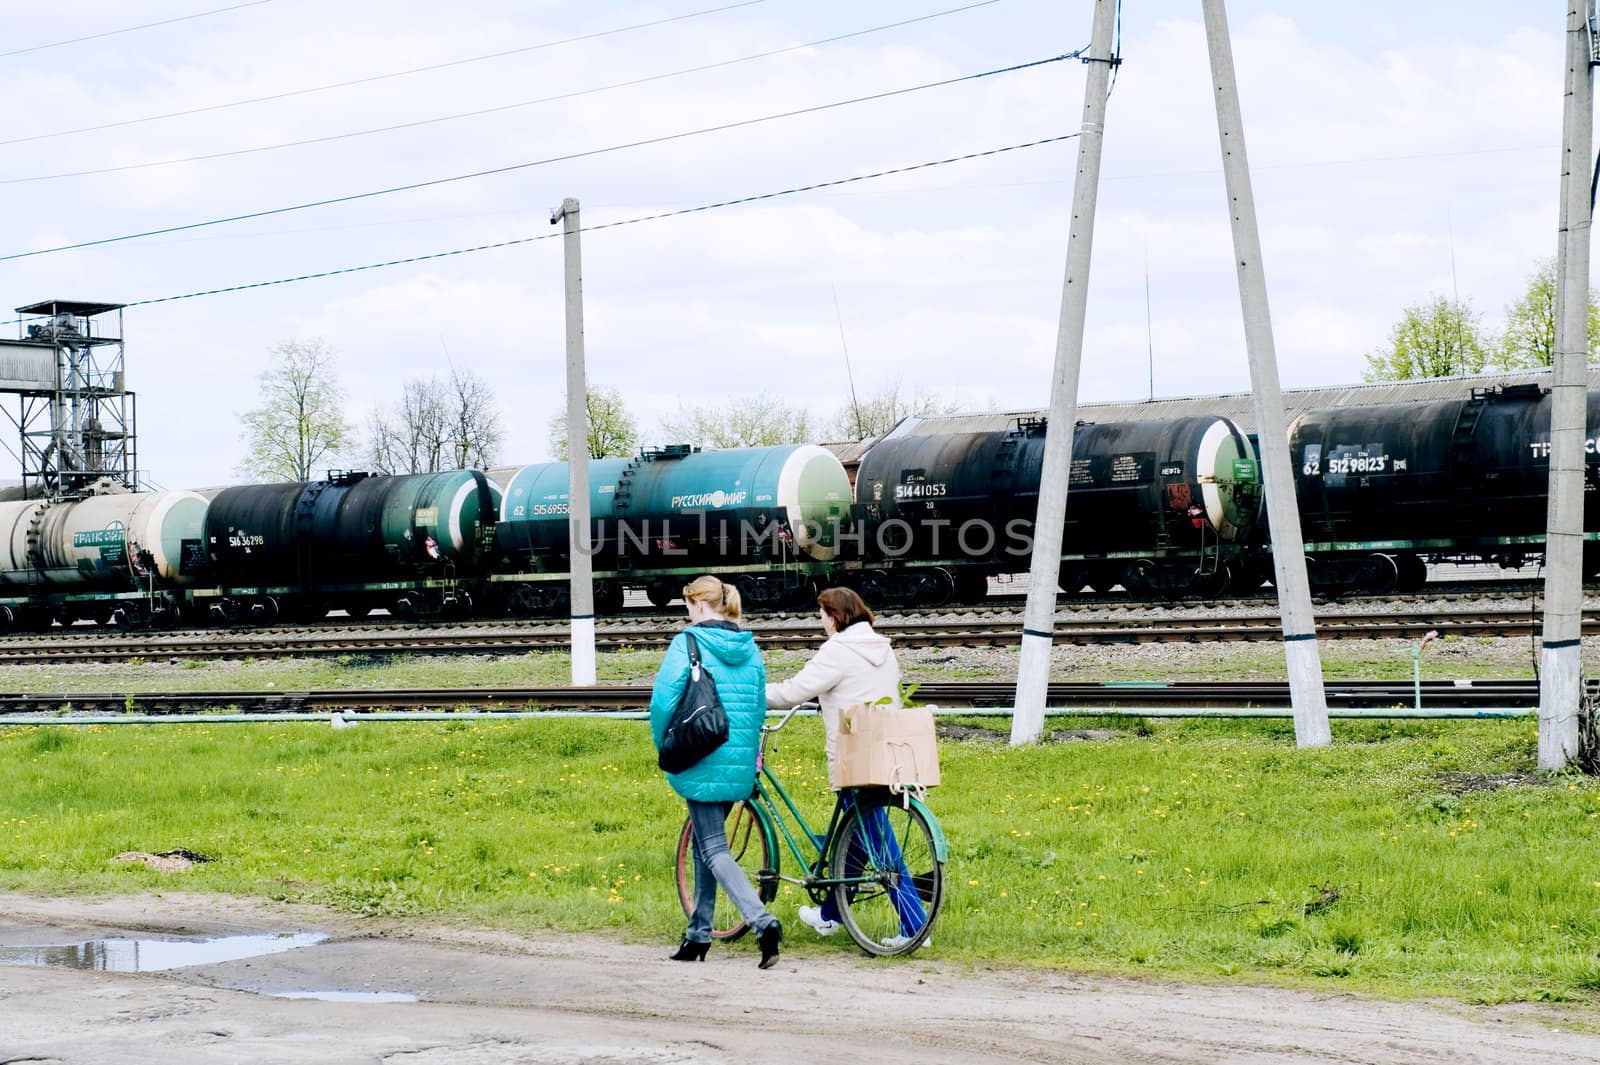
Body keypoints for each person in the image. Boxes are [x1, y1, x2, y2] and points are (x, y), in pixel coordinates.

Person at [765, 587, 926, 945]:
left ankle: (915, 925)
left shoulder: (837, 651)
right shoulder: (882, 649)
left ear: (835, 616)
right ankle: (830, 915)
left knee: (878, 842)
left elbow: (793, 692)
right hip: (885, 753)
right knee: (853, 838)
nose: (821, 622)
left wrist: (748, 694)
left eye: (821, 614)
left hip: (854, 757)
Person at [649, 574, 783, 968]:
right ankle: (698, 934)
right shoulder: (749, 647)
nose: (687, 613)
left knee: (713, 848)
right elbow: (758, 707)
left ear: (698, 605)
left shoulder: (688, 643)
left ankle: (762, 922)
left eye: (688, 605)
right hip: (737, 759)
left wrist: (667, 745)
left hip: (700, 755)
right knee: (706, 845)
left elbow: (662, 704)